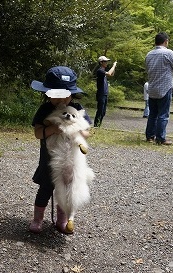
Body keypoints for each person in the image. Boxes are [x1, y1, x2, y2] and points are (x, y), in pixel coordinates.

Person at [29, 66, 91, 234]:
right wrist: (54, 129)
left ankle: (62, 220)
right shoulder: (44, 110)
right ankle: (37, 219)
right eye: (55, 96)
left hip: (70, 159)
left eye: (65, 94)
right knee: (45, 188)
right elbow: (37, 133)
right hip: (49, 159)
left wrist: (75, 129)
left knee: (66, 189)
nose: (60, 100)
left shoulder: (77, 108)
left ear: (72, 93)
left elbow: (86, 132)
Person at [145, 32, 173, 145]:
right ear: (166, 41)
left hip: (152, 88)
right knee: (163, 115)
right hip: (165, 87)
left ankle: (150, 136)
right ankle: (160, 138)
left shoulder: (149, 54)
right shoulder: (168, 53)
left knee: (152, 114)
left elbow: (147, 68)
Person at [94, 56, 117, 127]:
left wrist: (114, 68)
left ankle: (98, 125)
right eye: (105, 61)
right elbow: (109, 73)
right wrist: (113, 65)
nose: (107, 63)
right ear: (101, 62)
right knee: (100, 111)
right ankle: (96, 126)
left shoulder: (103, 71)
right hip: (101, 93)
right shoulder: (100, 71)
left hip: (105, 93)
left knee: (103, 112)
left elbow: (112, 74)